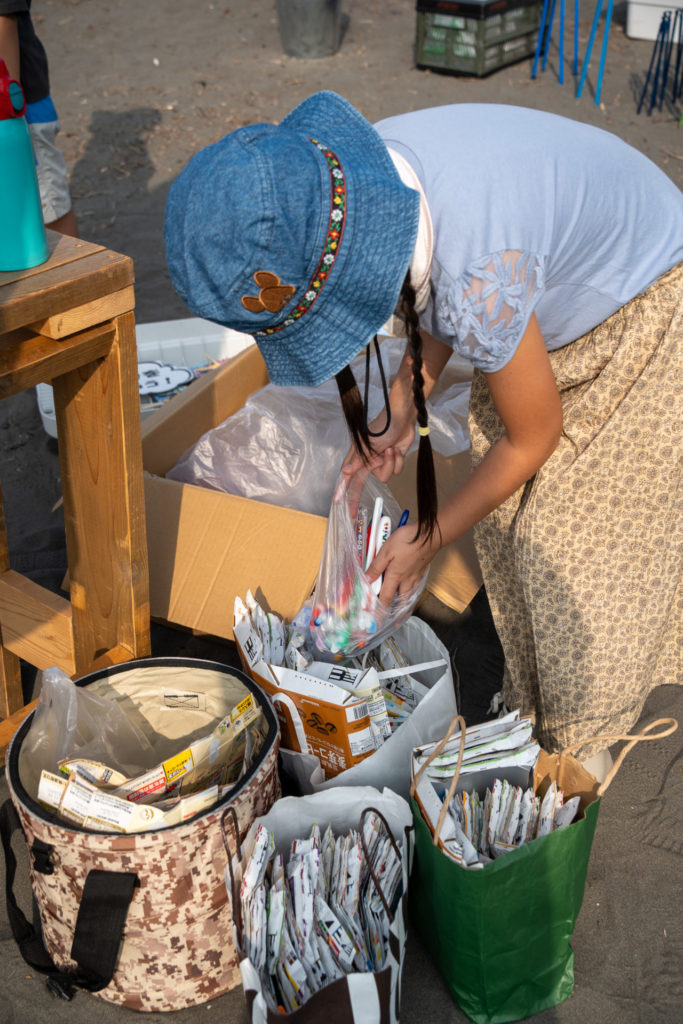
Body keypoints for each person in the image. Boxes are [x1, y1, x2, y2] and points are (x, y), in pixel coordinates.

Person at [164, 91, 682, 773]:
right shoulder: (362, 184)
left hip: (647, 302)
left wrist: (429, 537)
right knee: (508, 529)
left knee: (577, 546)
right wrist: (405, 401)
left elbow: (533, 435)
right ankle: (536, 706)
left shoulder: (481, 274)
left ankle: (585, 738)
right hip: (538, 283)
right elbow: (431, 288)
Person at [0, 0, 78, 236]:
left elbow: (3, 19)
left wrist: (7, 116)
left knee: (49, 211)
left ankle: (71, 261)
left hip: (19, 113)